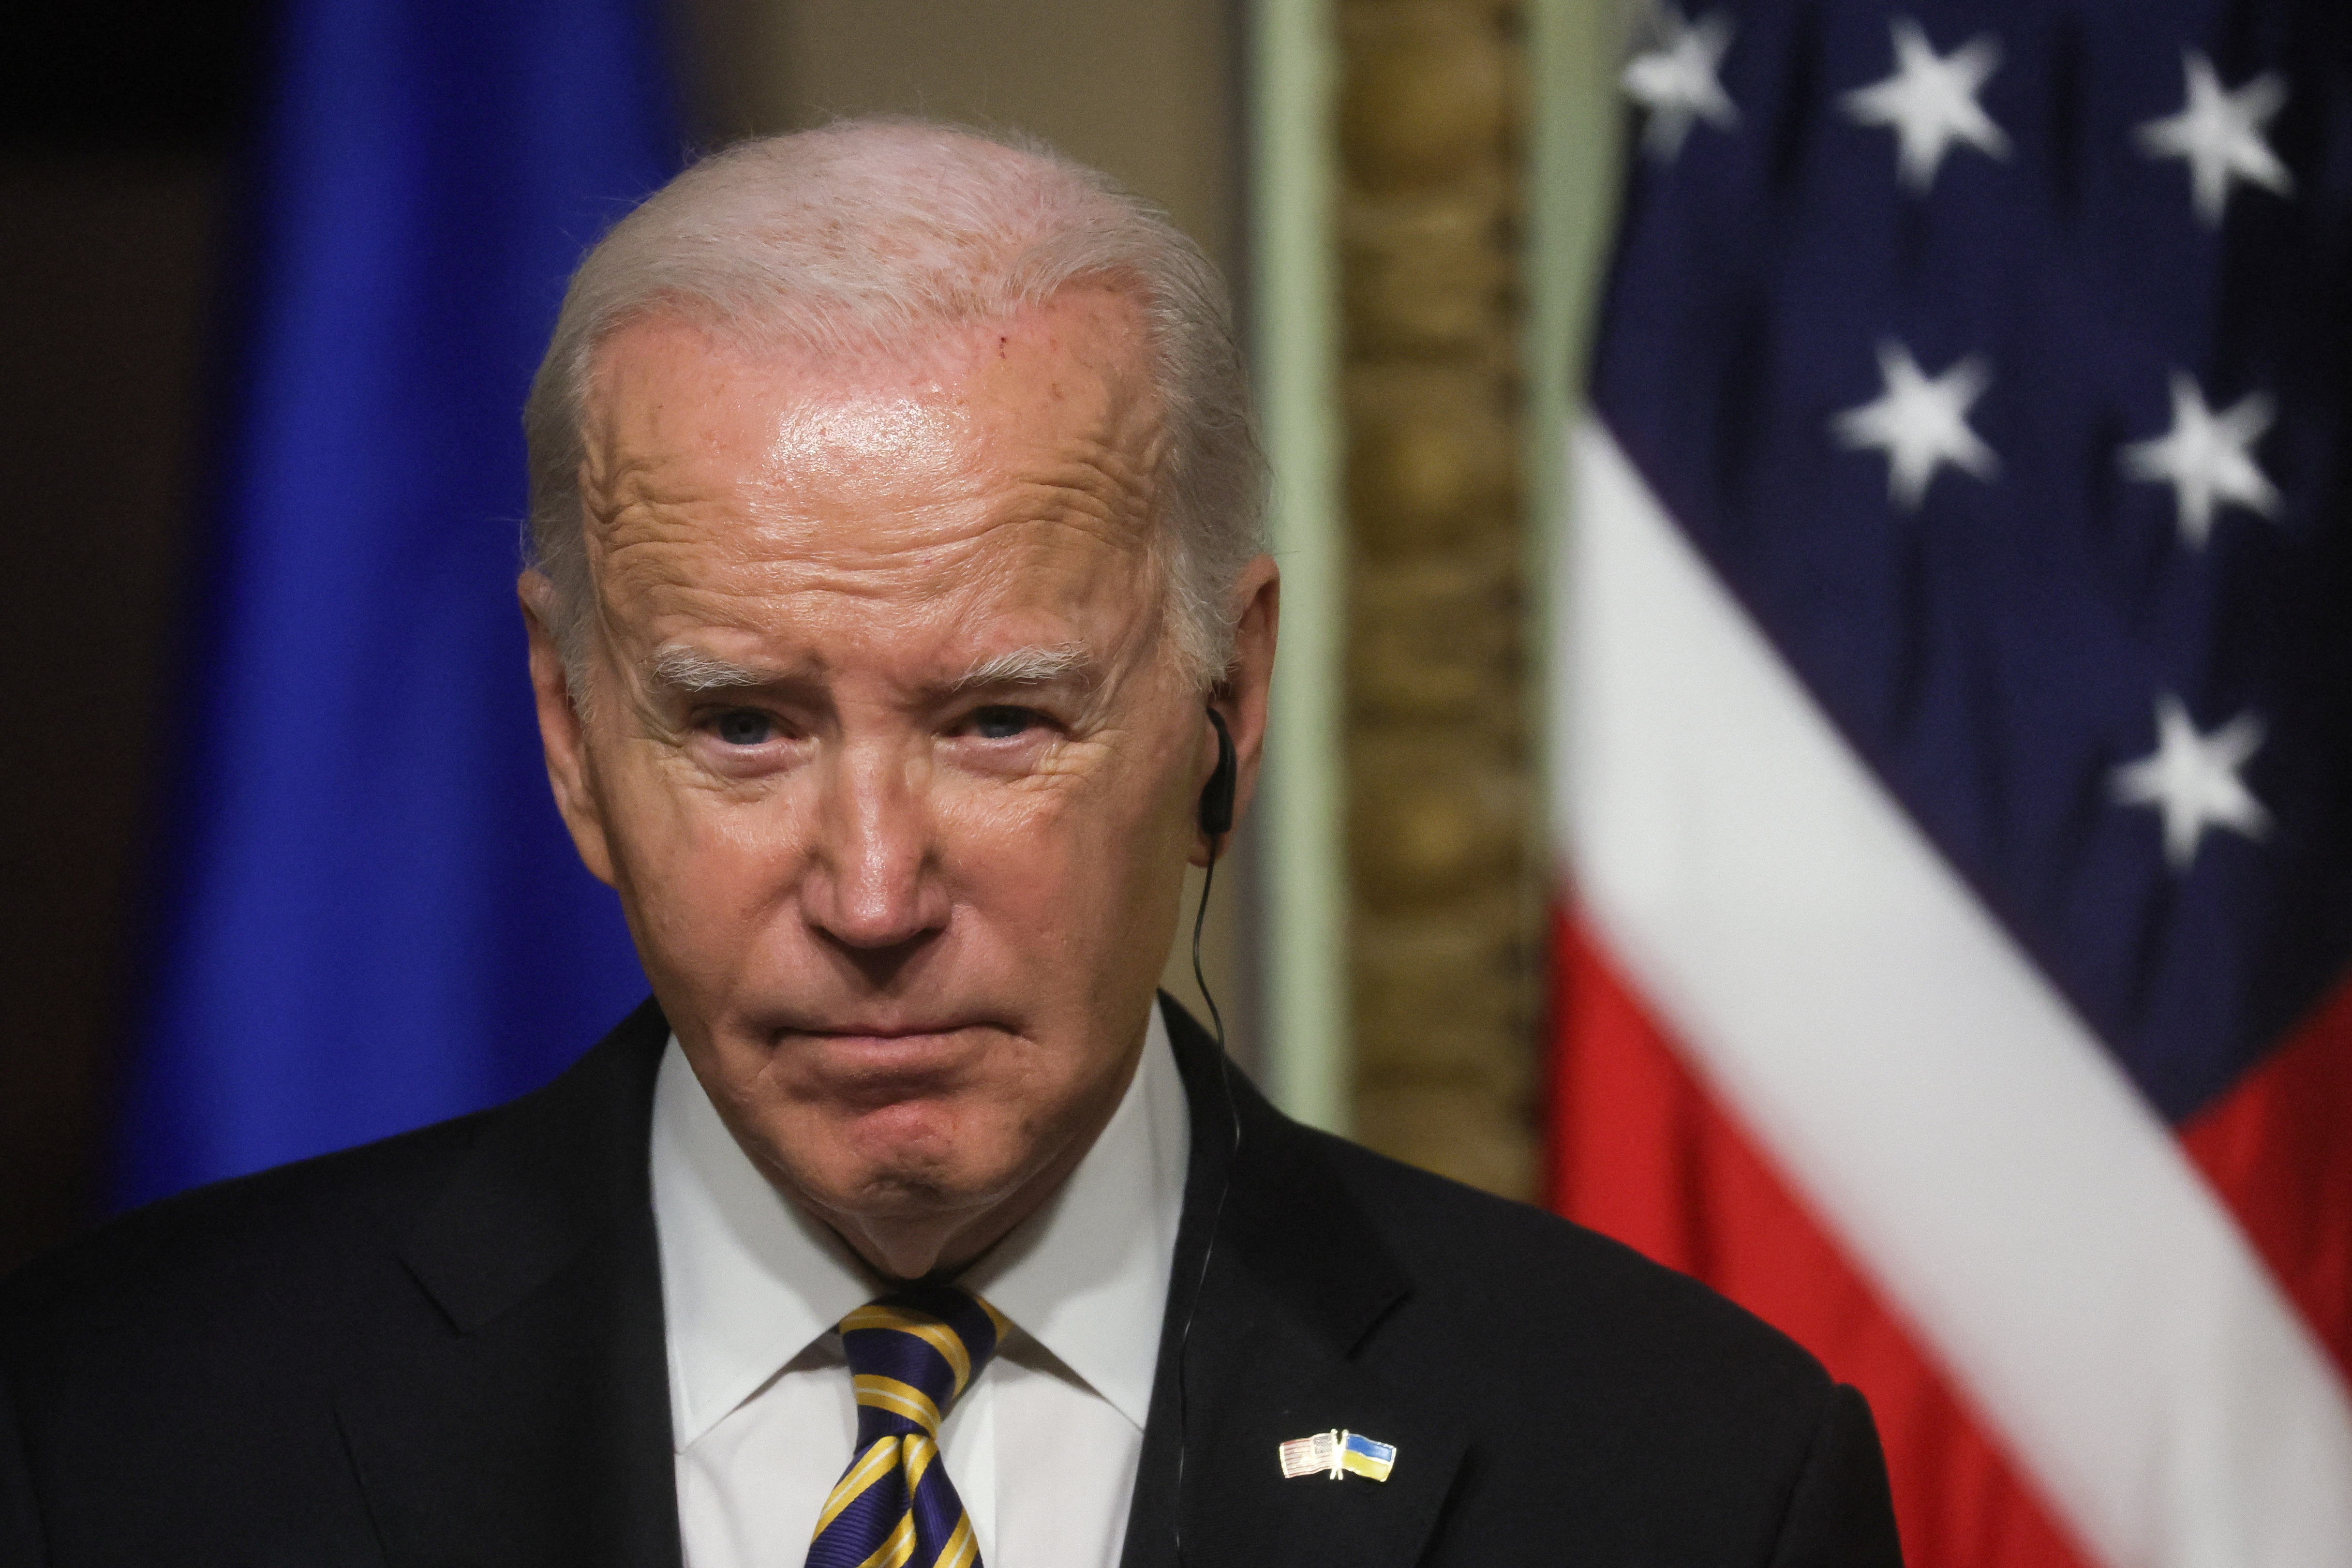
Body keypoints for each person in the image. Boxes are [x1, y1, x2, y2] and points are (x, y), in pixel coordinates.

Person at [0, 120, 1902, 1567]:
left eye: (999, 720)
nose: (875, 895)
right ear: (573, 735)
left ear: (1220, 701)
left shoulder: (1683, 1476)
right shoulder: (118, 1438)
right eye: (742, 724)